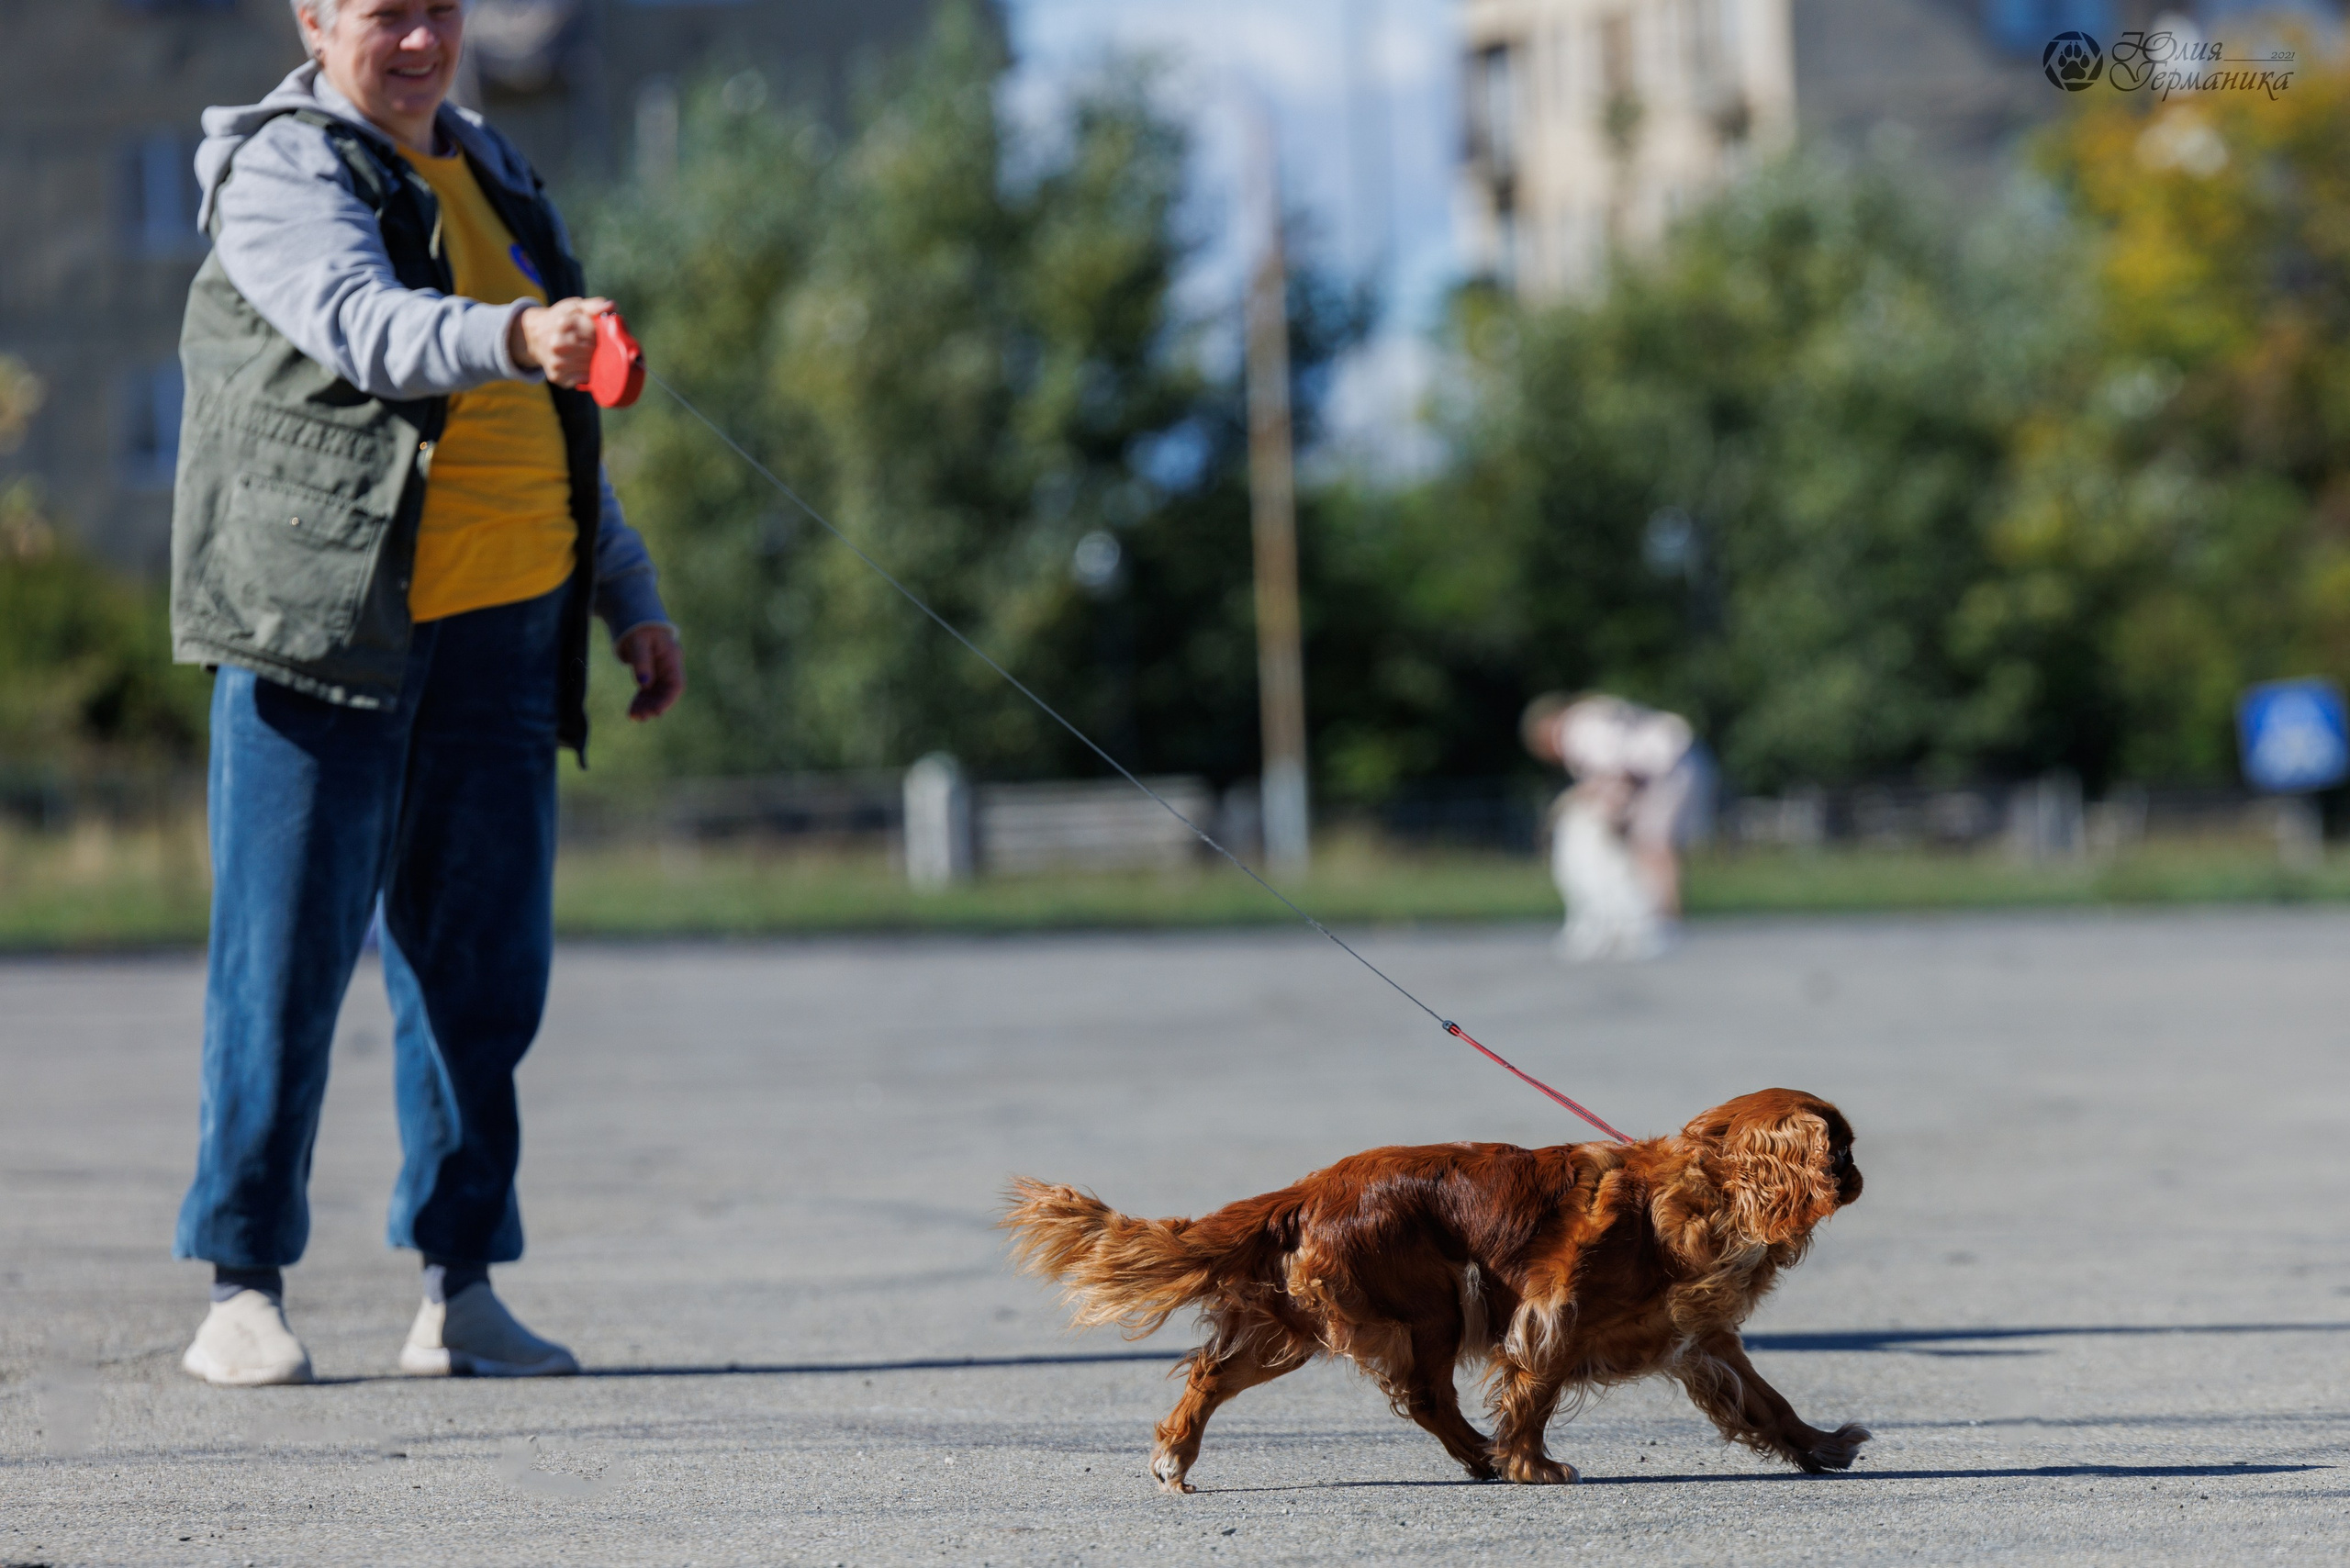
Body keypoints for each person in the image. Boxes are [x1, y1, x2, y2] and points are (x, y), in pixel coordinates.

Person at [169, 0, 685, 1385]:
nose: (420, 42)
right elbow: (365, 328)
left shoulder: (495, 167)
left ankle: (461, 1289)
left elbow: (555, 429)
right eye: (388, 16)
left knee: (481, 981)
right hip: (321, 625)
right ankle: (241, 1287)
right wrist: (519, 338)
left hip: (507, 638)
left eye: (440, 13)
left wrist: (626, 595)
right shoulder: (281, 169)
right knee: (281, 968)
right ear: (317, 18)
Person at [1523, 693, 1701, 960]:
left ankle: (1662, 925)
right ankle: (1654, 922)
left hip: (1668, 767)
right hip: (1664, 766)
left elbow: (1616, 771)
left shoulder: (1577, 730)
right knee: (1645, 844)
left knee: (1653, 843)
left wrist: (1600, 805)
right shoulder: (1587, 717)